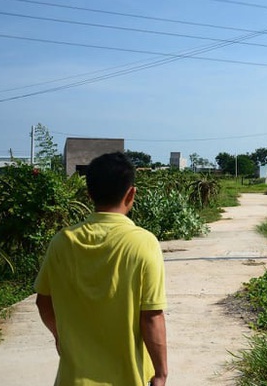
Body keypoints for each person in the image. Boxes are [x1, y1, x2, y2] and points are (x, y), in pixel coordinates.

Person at [35, 152, 168, 386]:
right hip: (128, 378)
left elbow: (43, 301)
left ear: (89, 195)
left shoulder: (62, 241)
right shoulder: (143, 243)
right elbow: (151, 316)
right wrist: (160, 373)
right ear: (131, 193)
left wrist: (60, 336)